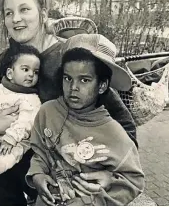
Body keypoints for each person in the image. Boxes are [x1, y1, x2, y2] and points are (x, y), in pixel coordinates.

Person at [0, 0, 137, 206]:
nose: (16, 18)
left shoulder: (68, 59)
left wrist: (113, 175)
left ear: (43, 14)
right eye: (9, 13)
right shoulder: (8, 58)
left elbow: (124, 123)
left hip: (69, 155)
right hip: (31, 143)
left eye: (24, 9)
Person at [26, 34, 144, 206]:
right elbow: (41, 152)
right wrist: (37, 175)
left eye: (84, 80)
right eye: (68, 78)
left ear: (102, 85)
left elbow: (134, 181)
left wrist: (94, 201)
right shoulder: (47, 112)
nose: (74, 87)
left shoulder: (115, 133)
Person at [0, 41, 41, 175]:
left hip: (19, 138)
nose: (31, 75)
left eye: (35, 72)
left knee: (18, 149)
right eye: (25, 69)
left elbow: (26, 122)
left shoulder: (30, 99)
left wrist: (11, 139)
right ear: (10, 74)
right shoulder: (2, 88)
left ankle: (5, 163)